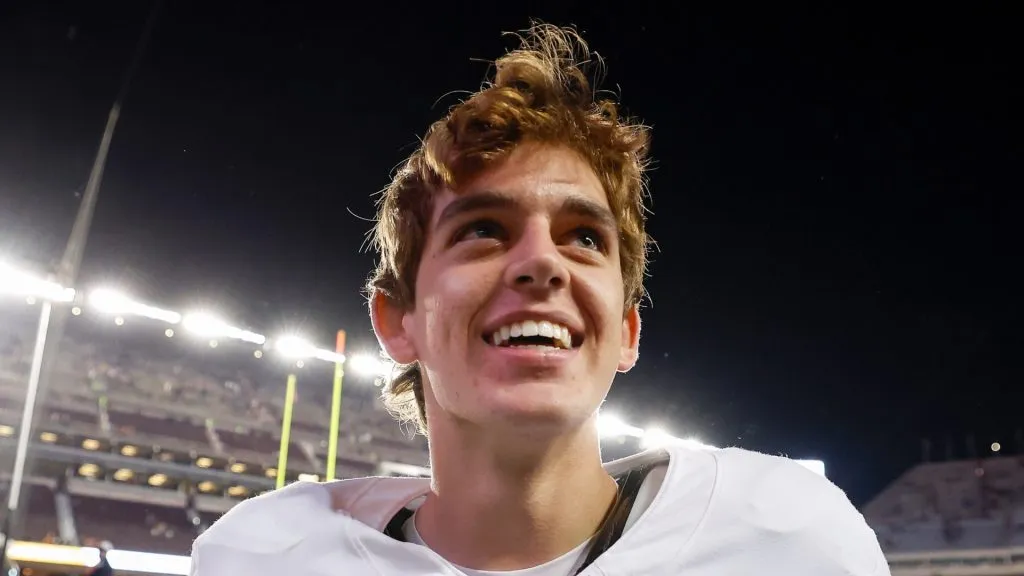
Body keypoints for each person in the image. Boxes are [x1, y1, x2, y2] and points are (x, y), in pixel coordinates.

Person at [190, 23, 890, 575]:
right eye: (484, 231)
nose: (540, 263)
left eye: (584, 237)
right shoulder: (261, 555)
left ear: (625, 330)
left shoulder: (791, 539)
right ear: (396, 323)